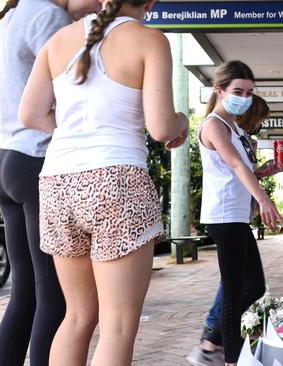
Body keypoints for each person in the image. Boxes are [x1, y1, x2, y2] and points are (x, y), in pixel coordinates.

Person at [18, 0, 188, 364]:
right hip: (118, 181)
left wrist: (74, 135)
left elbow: (29, 113)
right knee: (117, 327)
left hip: (57, 182)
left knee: (77, 317)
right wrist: (182, 123)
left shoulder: (59, 39)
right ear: (151, 2)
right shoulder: (149, 40)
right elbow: (161, 127)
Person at [0, 0, 100, 364]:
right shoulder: (49, 16)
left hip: (9, 159)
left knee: (26, 292)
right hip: (38, 159)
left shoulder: (14, 14)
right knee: (54, 294)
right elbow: (75, 93)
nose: (100, 4)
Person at [196, 60, 283, 366]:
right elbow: (234, 164)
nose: (244, 97)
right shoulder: (213, 125)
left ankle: (212, 343)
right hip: (223, 216)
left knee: (254, 287)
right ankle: (227, 358)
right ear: (219, 91)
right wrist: (264, 200)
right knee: (234, 292)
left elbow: (241, 171)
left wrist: (264, 174)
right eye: (238, 91)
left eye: (248, 92)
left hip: (236, 216)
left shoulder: (234, 126)